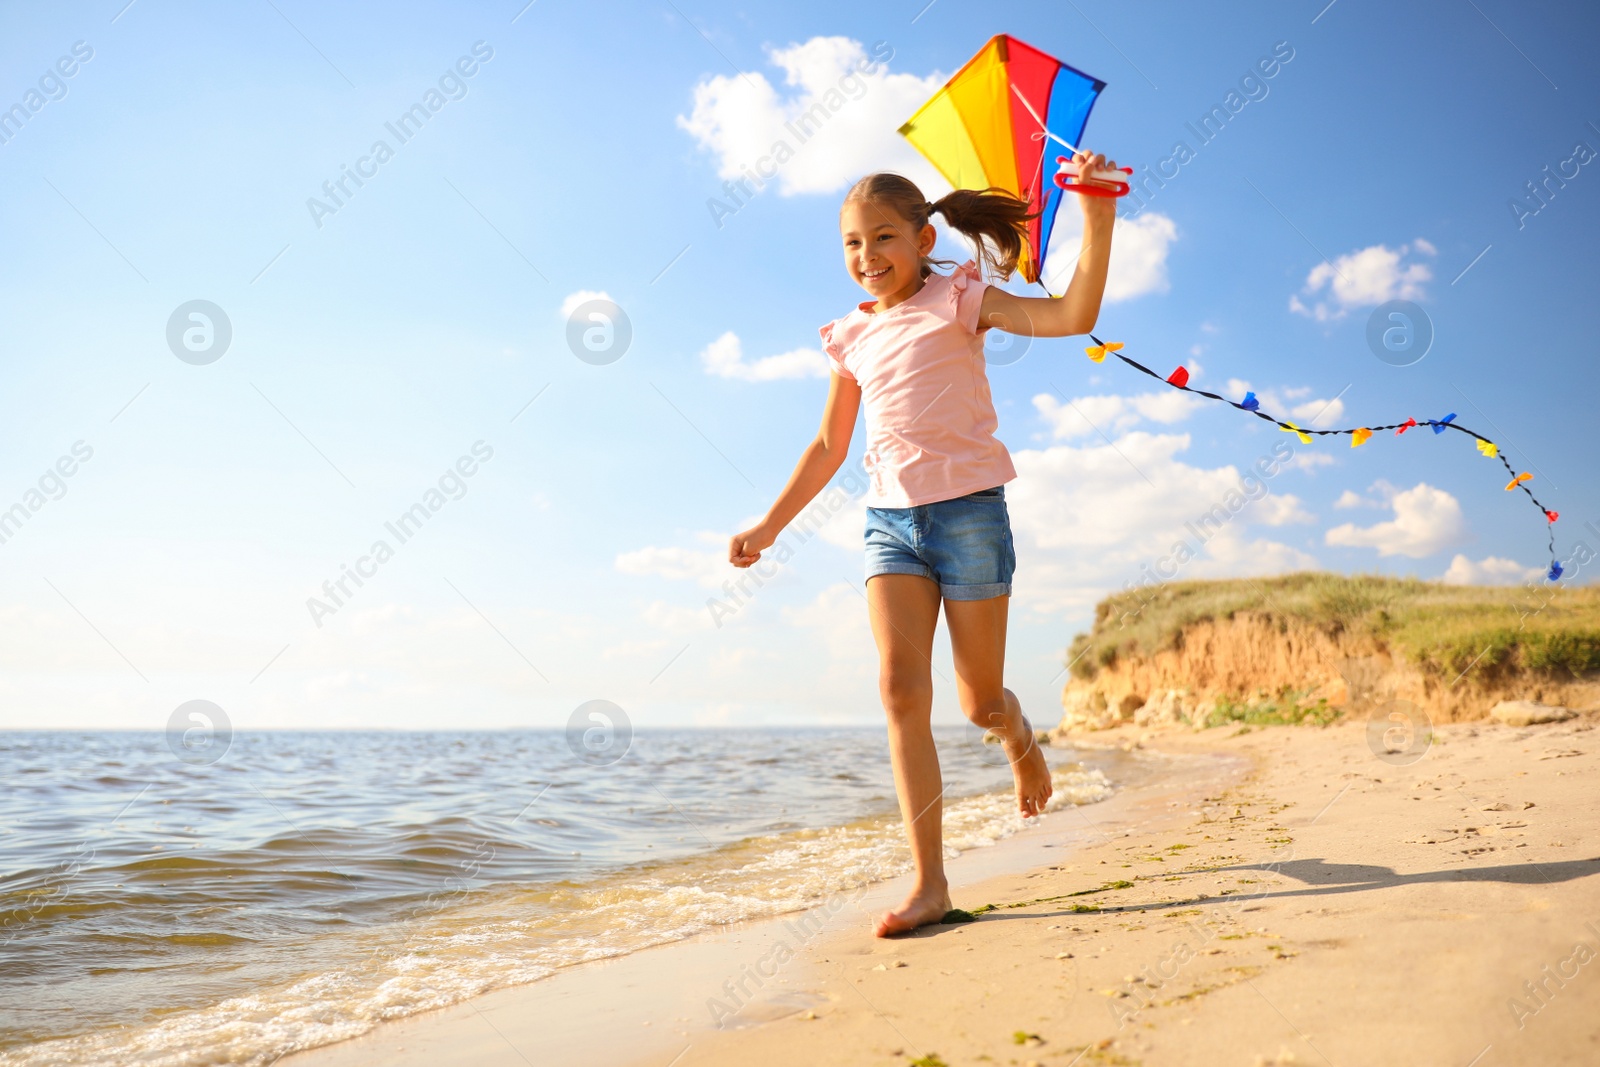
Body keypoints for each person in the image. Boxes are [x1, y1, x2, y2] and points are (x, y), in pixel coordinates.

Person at [727, 151, 1120, 937]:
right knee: (902, 690)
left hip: (970, 515)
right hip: (890, 526)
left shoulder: (961, 298)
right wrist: (770, 524)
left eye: (882, 238)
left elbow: (1072, 317)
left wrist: (1096, 215)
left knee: (978, 700)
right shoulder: (846, 337)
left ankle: (1018, 735)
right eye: (850, 244)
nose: (866, 258)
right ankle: (931, 882)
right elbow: (829, 446)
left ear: (922, 235)